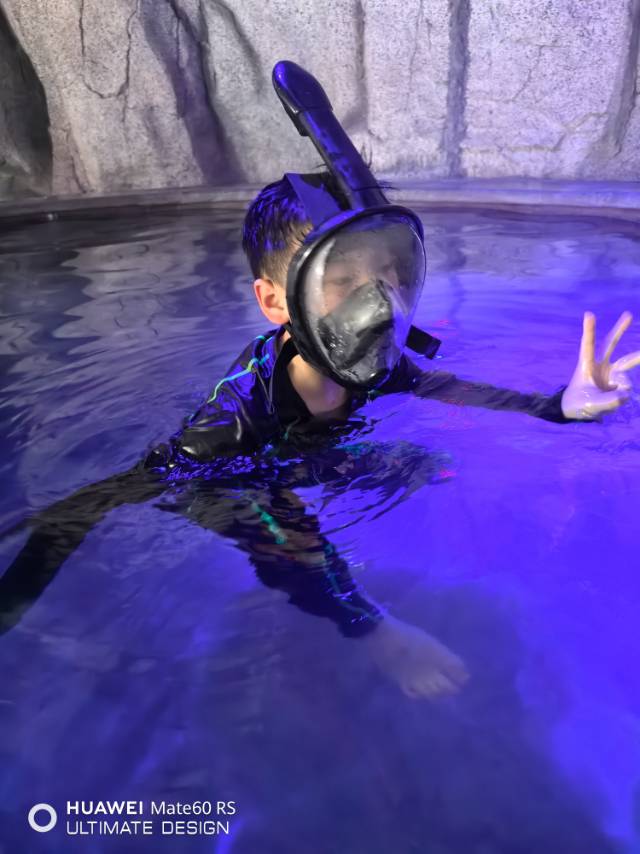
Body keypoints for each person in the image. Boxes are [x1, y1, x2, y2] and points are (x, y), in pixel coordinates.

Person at [1, 62, 638, 700]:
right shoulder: (234, 420)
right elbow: (100, 501)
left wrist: (558, 407)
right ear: (275, 301)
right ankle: (373, 632)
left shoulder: (372, 364)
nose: (379, 304)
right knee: (291, 534)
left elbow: (451, 390)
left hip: (315, 453)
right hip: (233, 481)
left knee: (420, 465)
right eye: (344, 282)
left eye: (390, 275)